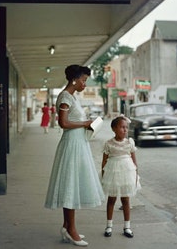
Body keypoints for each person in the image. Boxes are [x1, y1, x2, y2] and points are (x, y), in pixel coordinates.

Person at [45, 64, 105, 247]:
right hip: (72, 144)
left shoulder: (71, 97)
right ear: (75, 79)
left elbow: (71, 120)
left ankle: (66, 226)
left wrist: (87, 124)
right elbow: (62, 123)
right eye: (84, 80)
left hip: (79, 143)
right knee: (70, 185)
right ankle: (71, 230)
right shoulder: (65, 97)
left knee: (73, 184)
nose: (85, 84)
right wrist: (85, 122)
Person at [101, 116, 138, 238]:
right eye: (122, 127)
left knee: (125, 200)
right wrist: (103, 175)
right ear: (114, 129)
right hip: (112, 173)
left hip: (127, 173)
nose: (125, 130)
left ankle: (127, 226)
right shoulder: (109, 144)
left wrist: (135, 174)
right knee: (111, 199)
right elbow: (104, 161)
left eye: (126, 127)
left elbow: (134, 161)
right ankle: (109, 225)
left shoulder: (129, 143)